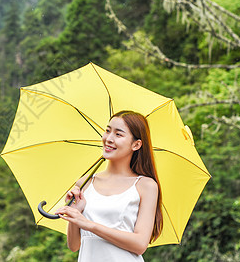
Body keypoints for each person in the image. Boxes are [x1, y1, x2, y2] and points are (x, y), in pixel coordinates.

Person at [56, 110, 163, 261]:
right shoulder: (84, 184)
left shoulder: (145, 185)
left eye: (118, 134)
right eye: (107, 131)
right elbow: (74, 245)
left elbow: (140, 244)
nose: (108, 139)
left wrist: (88, 224)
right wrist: (76, 213)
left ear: (136, 144)